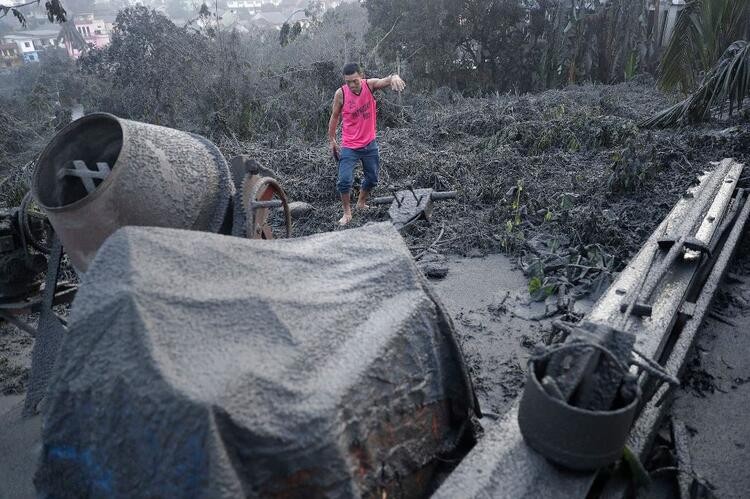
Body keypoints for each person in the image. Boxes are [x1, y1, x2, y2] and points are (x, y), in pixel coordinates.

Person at [327, 62, 406, 226]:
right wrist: (332, 140)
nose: (352, 85)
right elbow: (335, 116)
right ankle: (347, 212)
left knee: (372, 178)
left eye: (355, 80)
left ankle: (361, 202)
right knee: (344, 181)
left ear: (361, 76)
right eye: (348, 81)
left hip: (369, 144)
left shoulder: (369, 85)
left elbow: (385, 80)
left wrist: (394, 77)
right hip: (349, 145)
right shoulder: (341, 94)